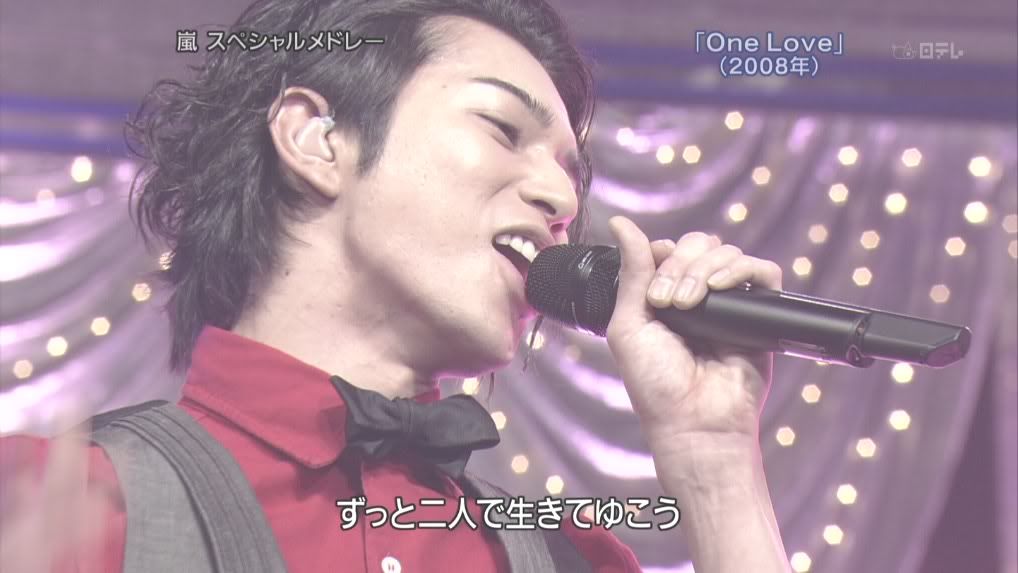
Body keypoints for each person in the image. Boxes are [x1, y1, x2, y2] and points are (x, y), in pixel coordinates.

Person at [0, 0, 790, 571]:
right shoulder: (51, 501)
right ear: (317, 139)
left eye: (569, 172)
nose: (561, 198)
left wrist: (715, 463)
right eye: (503, 129)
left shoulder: (571, 556)